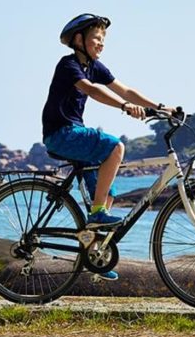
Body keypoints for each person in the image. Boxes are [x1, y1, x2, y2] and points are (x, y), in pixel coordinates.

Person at [41, 13, 175, 230]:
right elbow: (92, 90)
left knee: (106, 194)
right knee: (115, 147)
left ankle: (93, 257)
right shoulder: (68, 65)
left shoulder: (95, 66)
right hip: (61, 134)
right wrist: (123, 106)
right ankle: (97, 214)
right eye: (96, 38)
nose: (101, 44)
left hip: (74, 135)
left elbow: (126, 90)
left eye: (104, 40)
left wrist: (159, 108)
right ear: (78, 40)